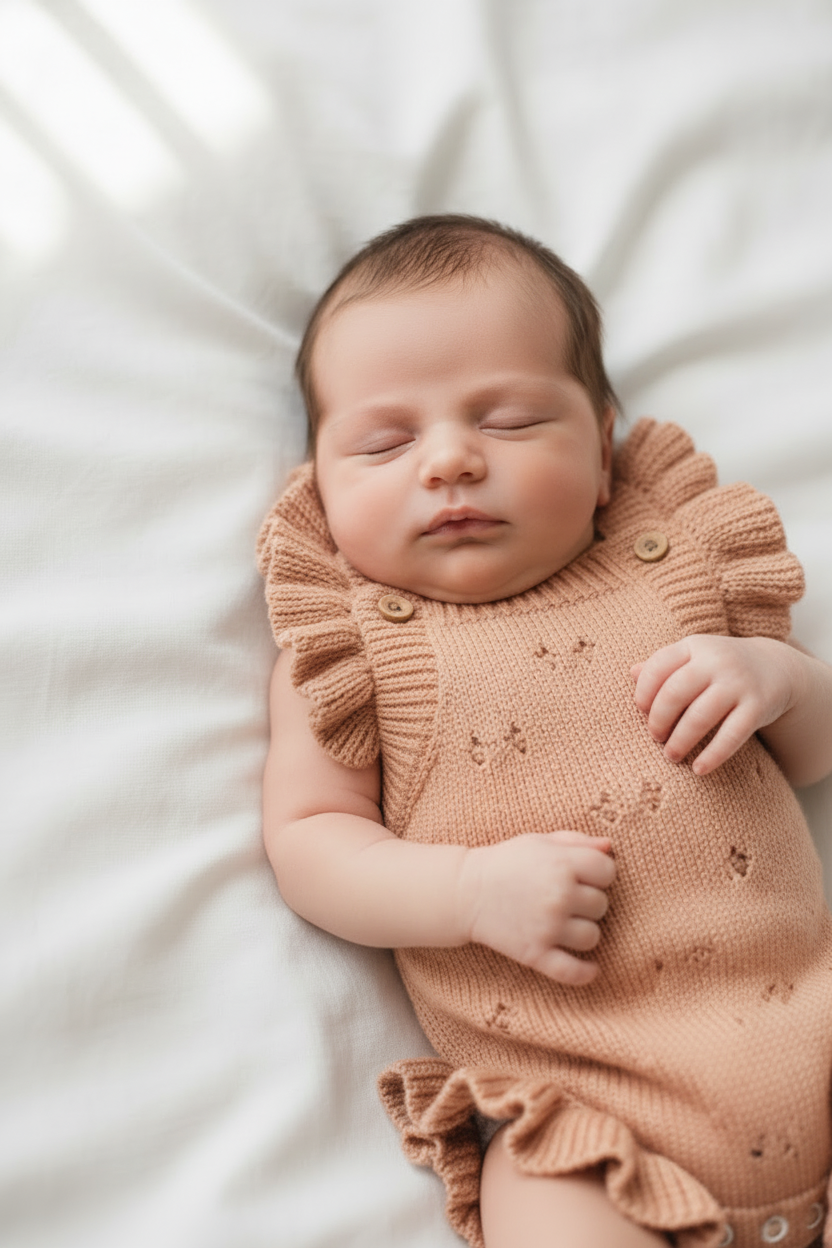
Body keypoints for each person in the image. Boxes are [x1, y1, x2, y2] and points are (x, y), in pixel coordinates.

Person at [257, 215, 832, 1248]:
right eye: (385, 442)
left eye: (512, 420)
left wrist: (780, 681)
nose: (449, 462)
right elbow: (309, 844)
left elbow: (816, 756)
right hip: (578, 1106)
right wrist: (467, 893)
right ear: (320, 488)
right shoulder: (353, 651)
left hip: (811, 1032)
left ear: (604, 452)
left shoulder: (685, 571)